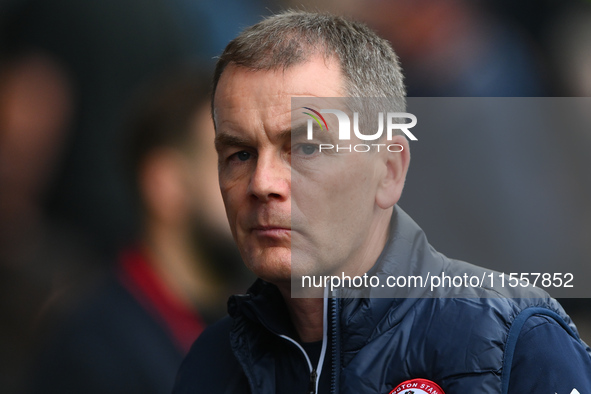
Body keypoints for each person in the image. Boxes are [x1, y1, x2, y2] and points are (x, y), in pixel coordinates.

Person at [173, 11, 591, 394]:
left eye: (304, 148)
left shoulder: (519, 342)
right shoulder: (211, 364)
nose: (262, 183)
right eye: (240, 154)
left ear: (389, 170)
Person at [27, 68, 245, 394]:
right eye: (235, 159)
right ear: (165, 184)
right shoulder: (97, 353)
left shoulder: (240, 329)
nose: (261, 184)